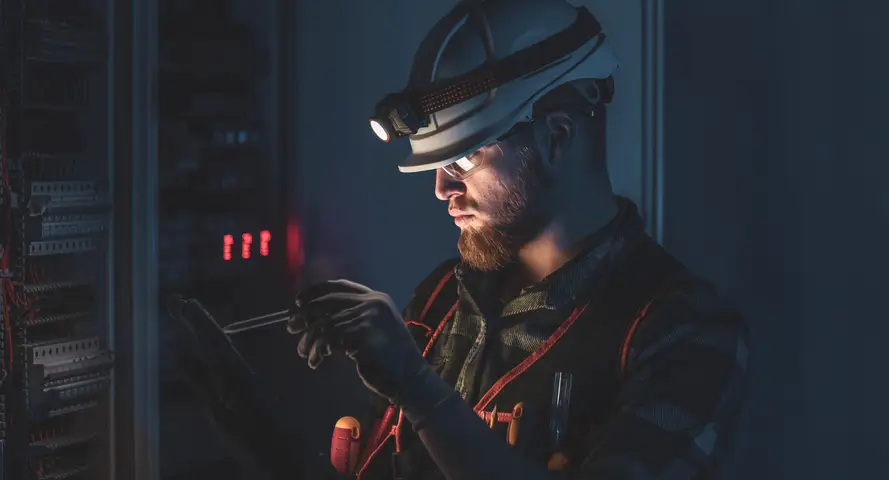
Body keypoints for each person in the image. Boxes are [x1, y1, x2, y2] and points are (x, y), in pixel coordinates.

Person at [286, 0, 750, 478]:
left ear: (556, 138)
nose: (442, 189)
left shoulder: (683, 331)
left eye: (464, 160)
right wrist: (237, 408)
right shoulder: (439, 300)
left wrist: (416, 386)